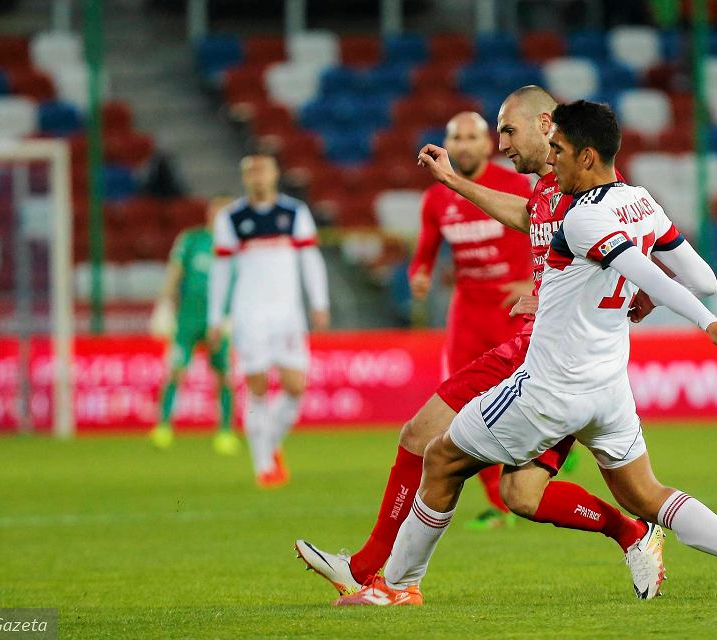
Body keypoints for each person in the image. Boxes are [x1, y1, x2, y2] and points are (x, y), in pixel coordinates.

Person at [336, 99, 717, 606]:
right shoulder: (640, 201)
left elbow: (641, 271)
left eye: (557, 149)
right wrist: (647, 298)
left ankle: (397, 588)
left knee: (442, 456)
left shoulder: (582, 218)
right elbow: (703, 277)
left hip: (550, 388)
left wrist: (707, 325)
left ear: (586, 157)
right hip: (608, 390)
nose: (549, 159)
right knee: (647, 496)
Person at [296, 88, 665, 601]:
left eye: (507, 131)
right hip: (548, 354)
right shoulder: (546, 187)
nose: (501, 143)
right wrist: (452, 182)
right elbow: (527, 217)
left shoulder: (586, 181)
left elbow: (633, 240)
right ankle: (633, 533)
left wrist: (637, 291)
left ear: (545, 124)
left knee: (419, 437)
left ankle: (368, 570)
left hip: (547, 355)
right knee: (522, 495)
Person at [409, 111, 534, 529]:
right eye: (455, 137)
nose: (462, 145)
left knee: (524, 399)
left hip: (512, 309)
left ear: (486, 144)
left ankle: (547, 456)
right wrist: (420, 275)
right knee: (461, 408)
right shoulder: (436, 199)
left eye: (471, 137)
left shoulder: (516, 186)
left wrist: (531, 282)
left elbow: (547, 239)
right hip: (468, 311)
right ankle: (497, 504)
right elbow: (424, 252)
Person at [208, 155, 329, 488]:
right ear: (245, 177)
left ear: (275, 174)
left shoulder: (294, 213)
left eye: (262, 170)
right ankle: (263, 464)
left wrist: (319, 302)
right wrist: (216, 317)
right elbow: (220, 272)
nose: (257, 177)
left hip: (288, 315)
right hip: (249, 315)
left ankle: (270, 444)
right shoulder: (231, 218)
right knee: (257, 387)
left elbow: (310, 259)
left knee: (295, 386)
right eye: (250, 172)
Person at [149, 197, 239, 455]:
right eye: (217, 210)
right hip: (188, 318)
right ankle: (164, 427)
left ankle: (225, 431)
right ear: (209, 213)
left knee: (223, 375)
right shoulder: (191, 239)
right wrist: (164, 304)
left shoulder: (236, 247)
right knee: (176, 370)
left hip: (220, 321)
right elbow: (175, 272)